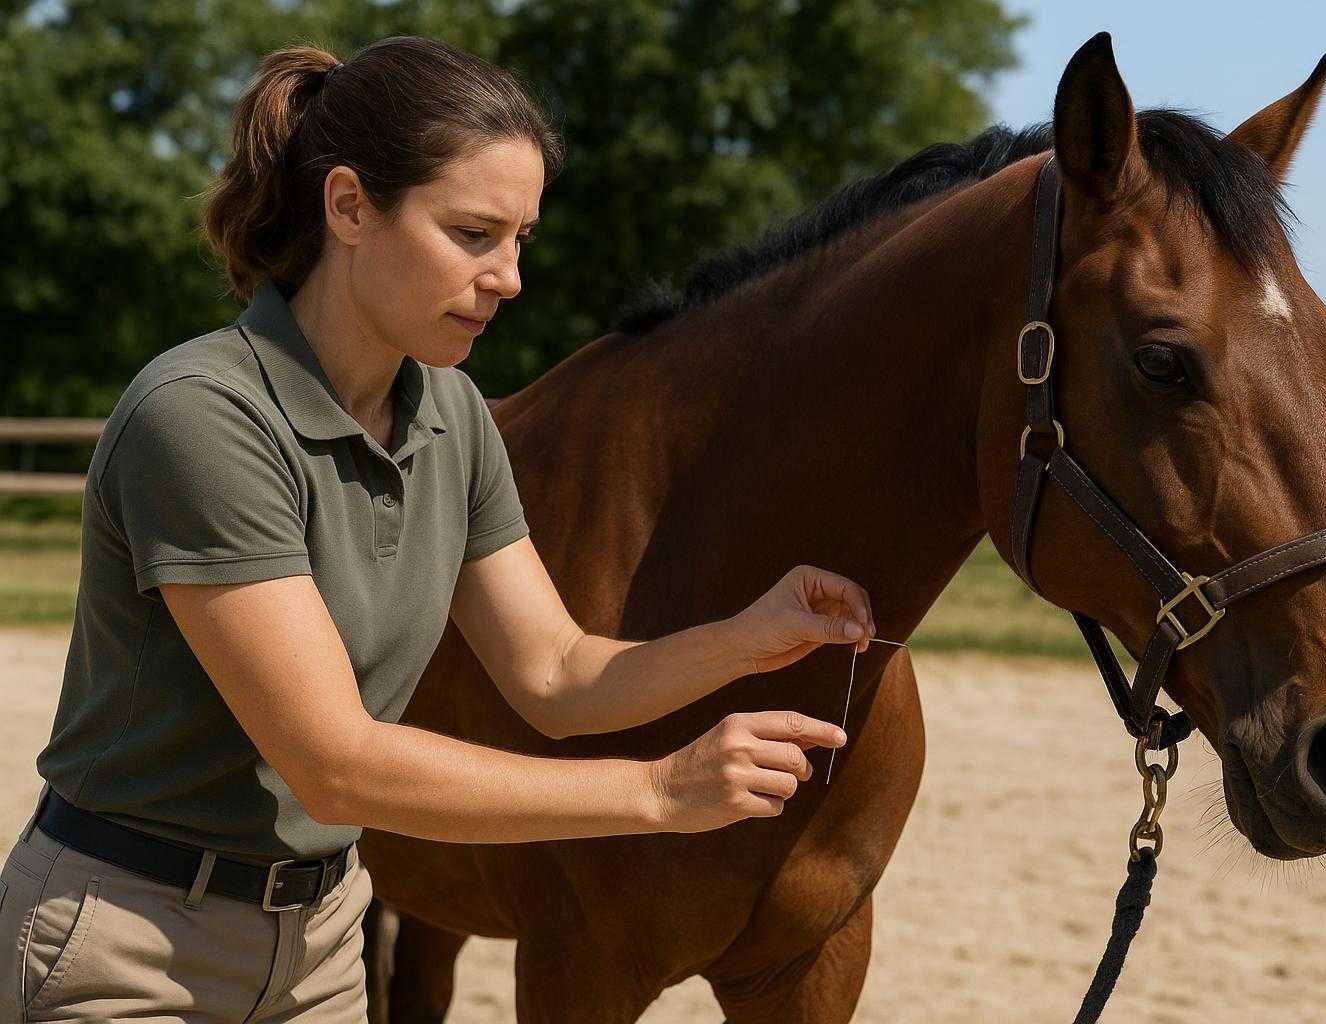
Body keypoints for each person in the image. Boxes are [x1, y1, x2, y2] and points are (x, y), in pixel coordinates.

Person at [0, 35, 876, 1021]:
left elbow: (558, 675)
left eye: (520, 238)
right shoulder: (203, 415)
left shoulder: (453, 415)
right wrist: (662, 791)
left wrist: (748, 639)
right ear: (348, 207)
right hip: (129, 945)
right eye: (472, 233)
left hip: (321, 949)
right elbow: (335, 764)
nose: (509, 276)